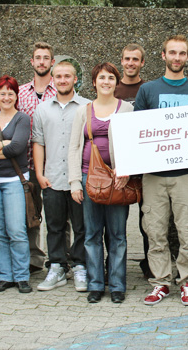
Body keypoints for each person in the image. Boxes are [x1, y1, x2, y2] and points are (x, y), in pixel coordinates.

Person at [134, 35, 188, 306]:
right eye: (172, 53)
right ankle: (160, 282)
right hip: (153, 176)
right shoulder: (148, 90)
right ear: (163, 55)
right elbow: (139, 132)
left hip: (186, 175)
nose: (177, 58)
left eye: (182, 53)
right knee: (155, 231)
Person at [69, 62, 134, 304]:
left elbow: (133, 143)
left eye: (111, 78)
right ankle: (96, 284)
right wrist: (75, 182)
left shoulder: (126, 109)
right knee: (92, 234)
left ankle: (117, 285)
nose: (106, 82)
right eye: (101, 77)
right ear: (94, 82)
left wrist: (126, 170)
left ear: (117, 83)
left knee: (118, 235)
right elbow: (74, 147)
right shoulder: (83, 111)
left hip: (118, 181)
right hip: (89, 179)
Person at [33, 60, 90, 293]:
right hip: (53, 177)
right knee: (54, 226)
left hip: (78, 179)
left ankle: (80, 267)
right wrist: (39, 173)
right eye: (59, 76)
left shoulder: (87, 106)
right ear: (52, 80)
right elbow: (39, 142)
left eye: (68, 76)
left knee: (81, 226)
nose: (63, 80)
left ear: (75, 79)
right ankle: (56, 267)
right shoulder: (42, 109)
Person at [0, 75, 33, 294]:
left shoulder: (23, 119)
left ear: (16, 96)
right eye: (3, 93)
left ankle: (21, 276)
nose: (7, 97)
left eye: (11, 93)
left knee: (17, 230)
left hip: (14, 180)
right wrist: (3, 144)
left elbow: (17, 148)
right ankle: (5, 276)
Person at [17, 42, 57, 274]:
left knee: (59, 216)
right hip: (28, 164)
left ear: (52, 62)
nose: (41, 62)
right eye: (37, 58)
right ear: (32, 62)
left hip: (54, 163)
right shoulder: (20, 93)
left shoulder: (62, 89)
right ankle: (34, 258)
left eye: (46, 58)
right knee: (30, 212)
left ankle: (60, 257)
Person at [113, 43, 150, 279]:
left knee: (147, 219)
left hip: (146, 163)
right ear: (122, 61)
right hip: (119, 164)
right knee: (117, 219)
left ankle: (150, 263)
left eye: (135, 59)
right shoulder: (112, 90)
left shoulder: (149, 89)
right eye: (127, 59)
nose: (130, 63)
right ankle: (116, 265)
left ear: (142, 63)